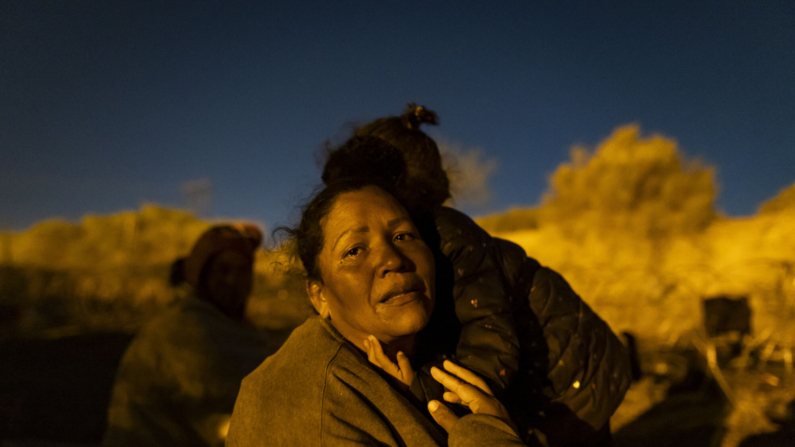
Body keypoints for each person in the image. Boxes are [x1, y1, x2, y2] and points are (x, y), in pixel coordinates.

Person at [322, 106, 632, 446]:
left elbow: (490, 338)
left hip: (575, 379)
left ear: (393, 186)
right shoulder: (416, 244)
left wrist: (424, 390)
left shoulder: (448, 237)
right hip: (543, 378)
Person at [226, 180, 526, 446]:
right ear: (320, 296)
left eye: (403, 236)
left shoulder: (405, 374)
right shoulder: (301, 402)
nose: (392, 260)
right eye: (354, 251)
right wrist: (490, 435)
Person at [103, 224, 272, 447]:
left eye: (243, 271)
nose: (233, 281)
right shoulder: (181, 330)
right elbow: (221, 422)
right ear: (202, 277)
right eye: (223, 270)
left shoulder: (237, 329)